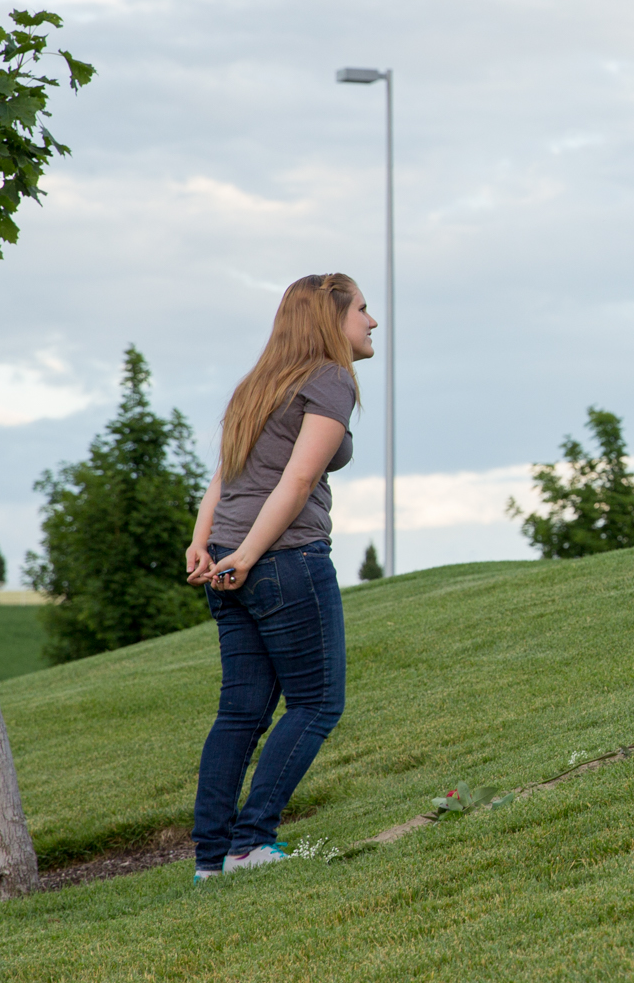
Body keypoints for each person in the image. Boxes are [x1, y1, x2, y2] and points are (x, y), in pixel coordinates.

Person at [185, 273, 375, 880]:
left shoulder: (258, 385)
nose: (373, 323)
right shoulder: (330, 378)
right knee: (318, 703)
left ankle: (211, 861)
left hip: (229, 555)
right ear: (331, 319)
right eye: (364, 311)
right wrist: (246, 555)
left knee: (240, 712)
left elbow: (224, 476)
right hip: (282, 559)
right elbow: (295, 481)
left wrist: (206, 542)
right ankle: (251, 844)